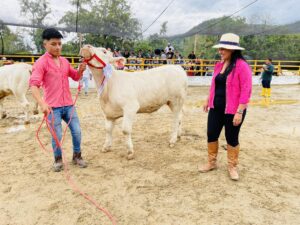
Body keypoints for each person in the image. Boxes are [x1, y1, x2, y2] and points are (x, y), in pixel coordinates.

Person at [29, 28, 87, 172]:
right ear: (45, 44)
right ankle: (58, 159)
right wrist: (42, 103)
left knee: (77, 131)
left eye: (60, 44)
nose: (58, 47)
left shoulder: (65, 61)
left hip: (68, 105)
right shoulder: (41, 63)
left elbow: (75, 77)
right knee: (57, 135)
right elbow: (33, 85)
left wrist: (80, 70)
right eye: (54, 44)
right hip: (52, 107)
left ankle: (77, 156)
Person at [199, 33, 252, 181]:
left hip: (233, 110)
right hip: (216, 107)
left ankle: (232, 166)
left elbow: (246, 90)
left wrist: (239, 112)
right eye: (220, 48)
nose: (221, 51)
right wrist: (208, 99)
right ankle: (211, 162)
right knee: (211, 133)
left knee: (231, 137)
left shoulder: (242, 66)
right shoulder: (219, 65)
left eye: (224, 49)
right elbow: (214, 85)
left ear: (233, 50)